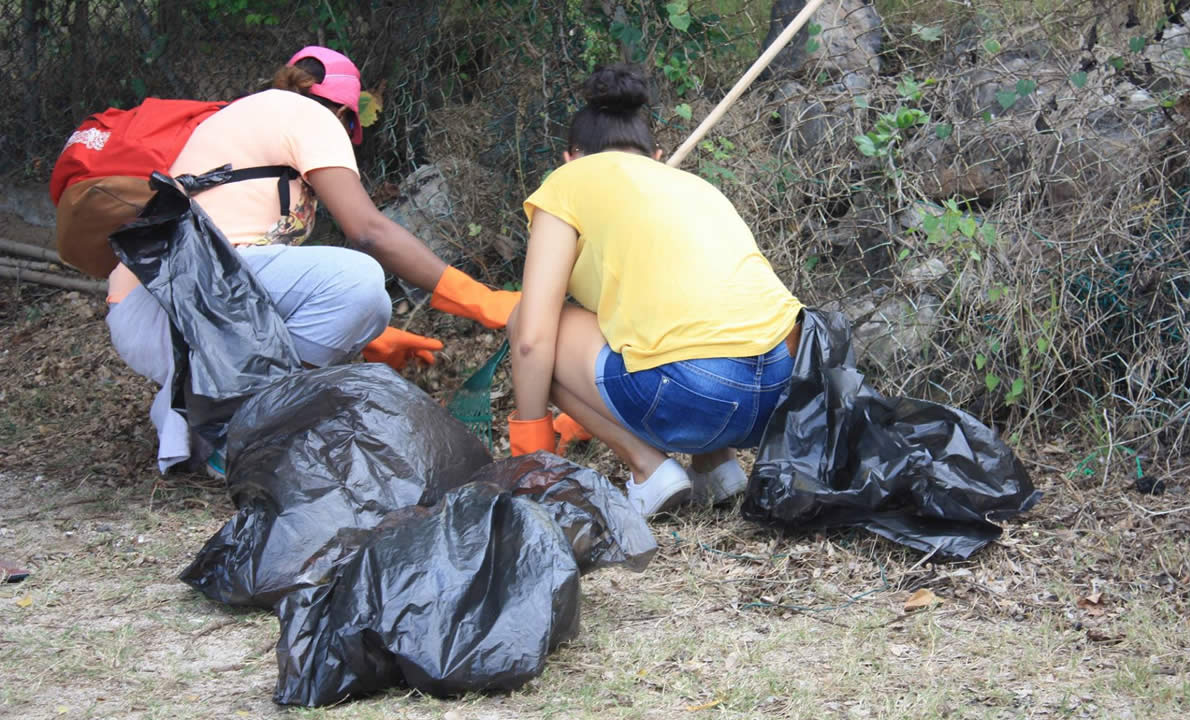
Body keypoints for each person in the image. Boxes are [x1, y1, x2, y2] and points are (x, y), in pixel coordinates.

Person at [103, 46, 519, 473]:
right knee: (359, 282)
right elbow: (368, 230)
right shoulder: (309, 116)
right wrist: (478, 299)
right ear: (343, 113)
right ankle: (237, 438)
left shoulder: (252, 118)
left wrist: (370, 334)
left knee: (363, 299)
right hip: (178, 303)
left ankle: (205, 426)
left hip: (151, 309)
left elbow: (264, 287)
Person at [506, 64, 804, 518]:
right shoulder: (695, 185)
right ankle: (716, 467)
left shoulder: (568, 182)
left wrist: (529, 456)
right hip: (781, 393)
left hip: (695, 396)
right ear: (658, 156)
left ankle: (649, 468)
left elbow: (531, 340)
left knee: (527, 320)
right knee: (685, 320)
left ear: (570, 158)